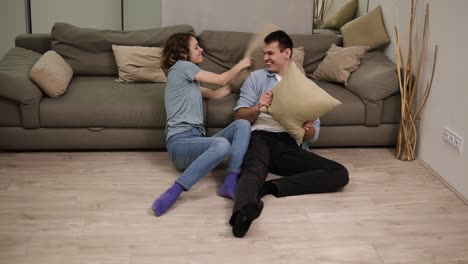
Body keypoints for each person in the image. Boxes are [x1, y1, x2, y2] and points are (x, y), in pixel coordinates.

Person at [230, 30, 349, 237]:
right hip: (261, 137)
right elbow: (239, 116)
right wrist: (258, 108)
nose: (265, 58)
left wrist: (308, 128)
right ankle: (243, 213)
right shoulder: (256, 78)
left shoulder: (305, 85)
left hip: (289, 144)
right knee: (251, 172)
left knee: (339, 174)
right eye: (264, 53)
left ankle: (271, 187)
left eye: (270, 53)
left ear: (287, 53)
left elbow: (313, 135)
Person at [152, 32, 253, 217]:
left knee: (243, 125)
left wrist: (242, 79)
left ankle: (230, 182)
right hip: (180, 144)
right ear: (182, 53)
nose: (201, 49)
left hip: (197, 144)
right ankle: (175, 190)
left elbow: (218, 93)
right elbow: (221, 79)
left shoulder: (190, 83)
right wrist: (241, 64)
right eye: (196, 47)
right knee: (222, 144)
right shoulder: (181, 67)